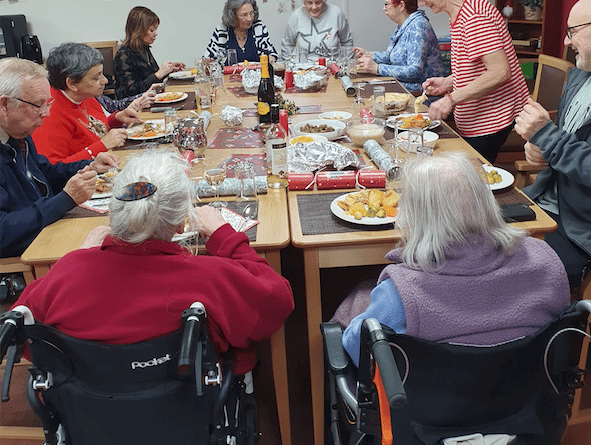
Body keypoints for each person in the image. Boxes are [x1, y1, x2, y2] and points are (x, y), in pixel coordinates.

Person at [12, 149, 295, 375]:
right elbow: (277, 303)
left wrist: (79, 257)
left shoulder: (67, 275)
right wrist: (224, 236)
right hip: (191, 406)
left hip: (94, 416)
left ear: (114, 214)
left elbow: (20, 337)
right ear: (182, 224)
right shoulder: (211, 277)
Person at [335, 152, 569, 367]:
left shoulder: (400, 296)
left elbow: (360, 353)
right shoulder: (545, 261)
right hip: (525, 403)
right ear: (488, 202)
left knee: (355, 302)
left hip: (428, 409)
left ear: (411, 218)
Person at [0, 58, 119, 259]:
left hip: (47, 233)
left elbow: (44, 172)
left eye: (47, 103)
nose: (46, 114)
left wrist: (90, 165)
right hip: (26, 258)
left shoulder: (17, 132)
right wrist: (64, 200)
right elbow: (3, 233)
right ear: (4, 105)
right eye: (38, 105)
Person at [514, 0, 591, 290]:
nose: (566, 40)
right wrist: (540, 150)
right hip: (545, 201)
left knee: (498, 269)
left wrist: (548, 137)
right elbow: (566, 143)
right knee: (468, 231)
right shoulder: (579, 75)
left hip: (579, 230)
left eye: (572, 31)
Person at [418, 0, 529, 163]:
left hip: (492, 121)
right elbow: (479, 66)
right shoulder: (460, 14)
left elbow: (500, 72)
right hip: (477, 120)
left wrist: (450, 99)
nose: (421, 4)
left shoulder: (474, 17)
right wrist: (449, 82)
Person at [32, 42, 142, 164]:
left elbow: (92, 129)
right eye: (96, 78)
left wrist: (116, 119)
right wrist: (102, 146)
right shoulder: (49, 115)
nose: (105, 81)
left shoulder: (83, 94)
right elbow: (54, 169)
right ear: (72, 84)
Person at [353, 0, 442, 93]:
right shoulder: (405, 25)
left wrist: (377, 68)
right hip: (404, 88)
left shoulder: (418, 26)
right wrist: (368, 54)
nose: (384, 8)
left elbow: (414, 71)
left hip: (420, 95)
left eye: (387, 4)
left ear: (401, 5)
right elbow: (391, 57)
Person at [114, 6, 186, 99]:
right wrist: (158, 74)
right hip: (133, 108)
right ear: (138, 31)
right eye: (152, 30)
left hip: (149, 100)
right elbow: (130, 91)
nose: (156, 33)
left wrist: (169, 71)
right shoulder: (123, 54)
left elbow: (152, 80)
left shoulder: (144, 49)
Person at [204, 0, 278, 64]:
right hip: (228, 78)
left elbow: (272, 53)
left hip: (256, 77)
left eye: (251, 13)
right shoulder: (222, 31)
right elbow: (207, 58)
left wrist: (271, 58)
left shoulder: (258, 27)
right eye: (244, 15)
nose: (249, 18)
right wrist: (208, 62)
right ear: (232, 16)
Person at [281, 0, 353, 63]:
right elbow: (287, 44)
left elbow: (347, 42)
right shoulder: (296, 15)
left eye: (318, 2)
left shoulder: (337, 13)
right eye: (310, 3)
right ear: (305, 3)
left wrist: (346, 64)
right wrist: (289, 66)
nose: (314, 7)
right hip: (302, 69)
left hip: (332, 67)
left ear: (323, 2)